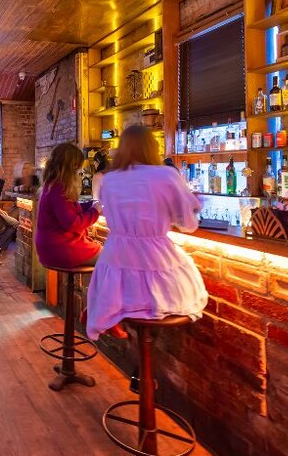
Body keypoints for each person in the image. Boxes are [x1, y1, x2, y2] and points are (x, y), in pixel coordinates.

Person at [86, 125, 207, 340]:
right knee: (191, 282)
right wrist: (195, 206)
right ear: (153, 148)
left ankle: (110, 313)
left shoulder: (108, 180)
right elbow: (189, 225)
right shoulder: (166, 175)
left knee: (116, 295)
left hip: (115, 270)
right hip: (156, 268)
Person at [35, 143, 101, 270]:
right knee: (113, 257)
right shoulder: (59, 189)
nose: (79, 173)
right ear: (72, 167)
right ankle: (102, 290)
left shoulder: (52, 185)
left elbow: (68, 210)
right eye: (78, 169)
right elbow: (72, 224)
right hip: (62, 249)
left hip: (49, 248)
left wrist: (90, 204)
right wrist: (95, 211)